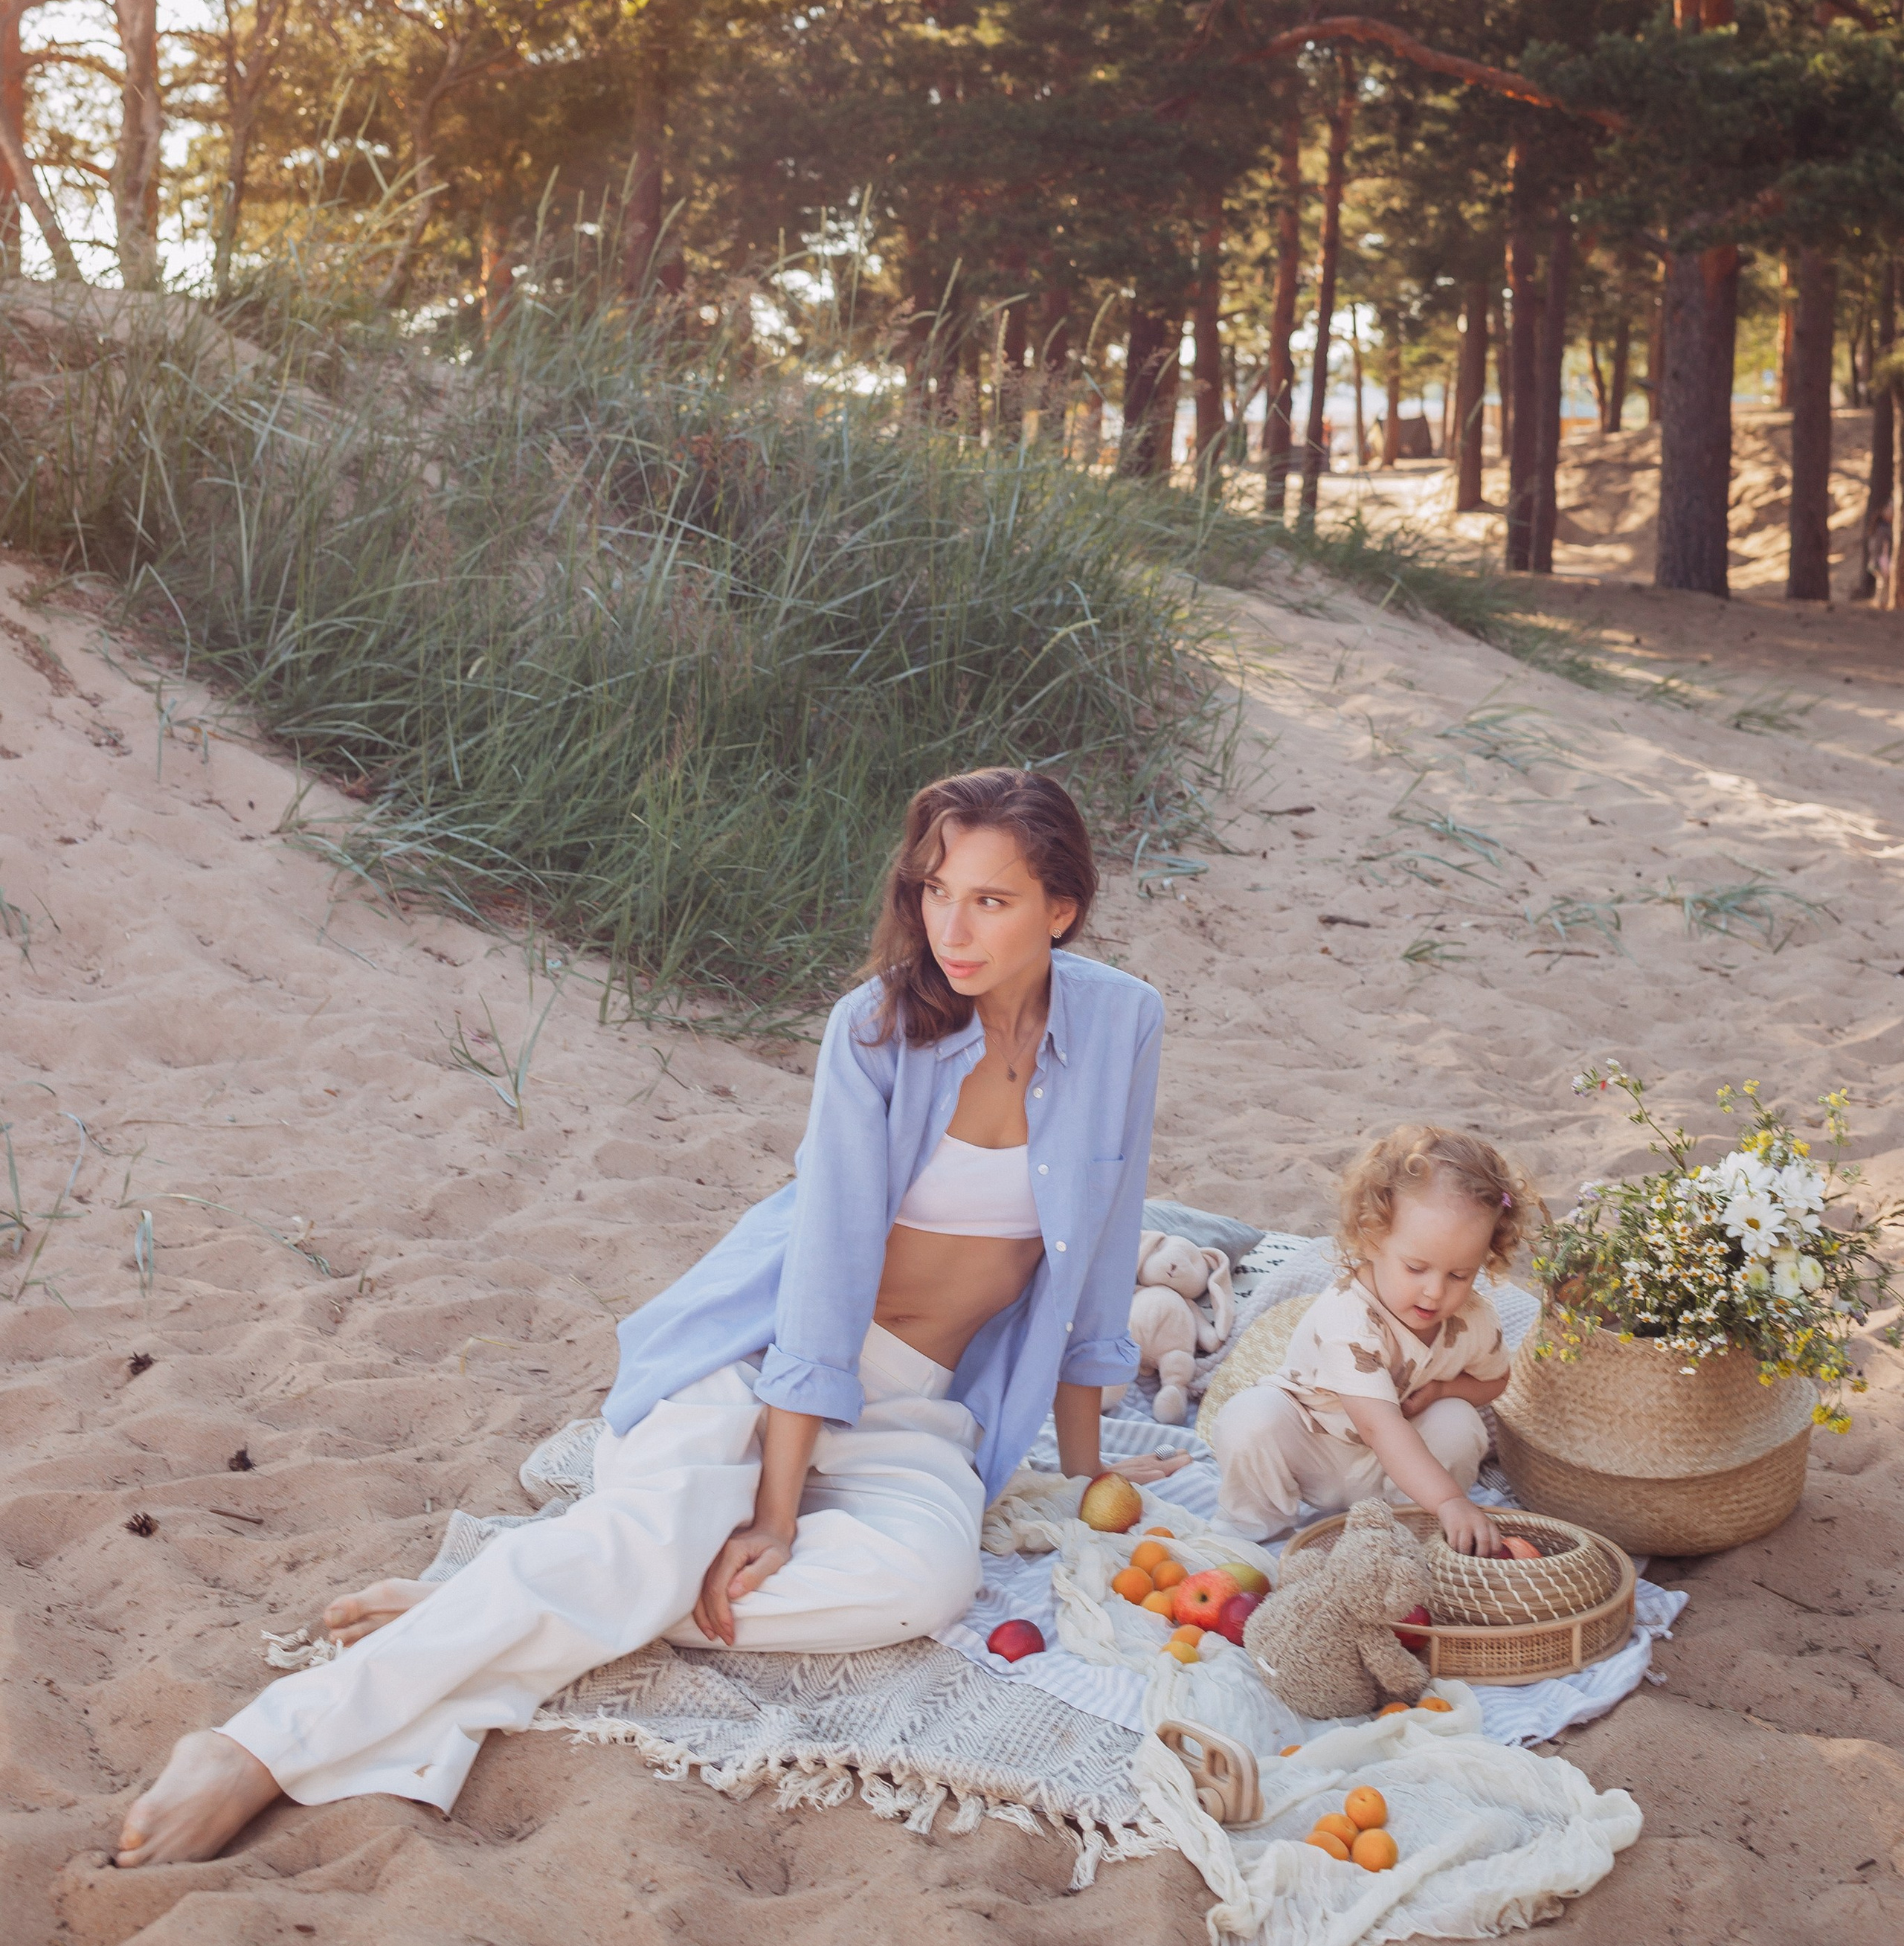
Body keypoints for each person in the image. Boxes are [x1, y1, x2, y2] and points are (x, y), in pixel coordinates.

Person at [116, 767, 1184, 1866]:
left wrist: (1089, 1461)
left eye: (991, 902)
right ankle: (258, 1744)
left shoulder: (1121, 1024)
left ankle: (516, 1591)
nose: (950, 929)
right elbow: (823, 1274)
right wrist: (773, 1511)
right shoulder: (874, 1030)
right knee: (669, 1533)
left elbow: (1100, 1248)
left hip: (916, 1408)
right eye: (934, 891)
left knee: (923, 1583)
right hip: (757, 1359)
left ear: (1062, 909)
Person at [1210, 1124, 1526, 1553]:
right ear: (1373, 1240)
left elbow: (1497, 1381)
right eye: (1416, 1268)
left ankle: (1407, 1535)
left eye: (1459, 1274)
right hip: (1313, 1448)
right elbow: (1378, 1425)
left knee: (1458, 1420)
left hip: (1396, 1469)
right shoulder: (1350, 1317)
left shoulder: (1473, 1319)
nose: (1436, 1292)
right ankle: (1254, 1536)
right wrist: (1452, 1499)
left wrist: (1444, 1390)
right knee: (1249, 1419)